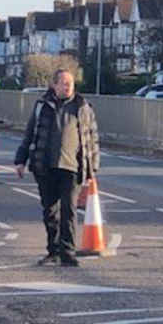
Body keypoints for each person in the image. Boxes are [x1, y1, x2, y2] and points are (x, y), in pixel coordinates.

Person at [14, 68, 100, 267]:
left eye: (70, 82)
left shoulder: (83, 107)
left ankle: (67, 252)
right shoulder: (41, 106)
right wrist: (20, 160)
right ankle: (52, 250)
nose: (68, 86)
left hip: (72, 168)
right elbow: (30, 135)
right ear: (54, 85)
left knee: (69, 211)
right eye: (63, 82)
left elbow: (93, 139)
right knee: (50, 211)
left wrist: (92, 169)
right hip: (45, 166)